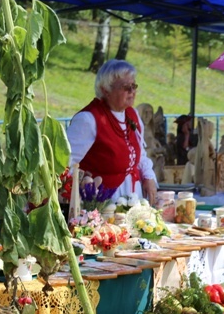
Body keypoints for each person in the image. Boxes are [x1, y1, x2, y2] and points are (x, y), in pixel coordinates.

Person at [66, 59, 157, 206]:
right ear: (105, 89)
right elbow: (65, 163)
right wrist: (83, 188)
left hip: (134, 199)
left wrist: (148, 176)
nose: (132, 92)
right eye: (126, 87)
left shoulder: (132, 114)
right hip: (102, 204)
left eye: (134, 86)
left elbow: (138, 152)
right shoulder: (88, 119)